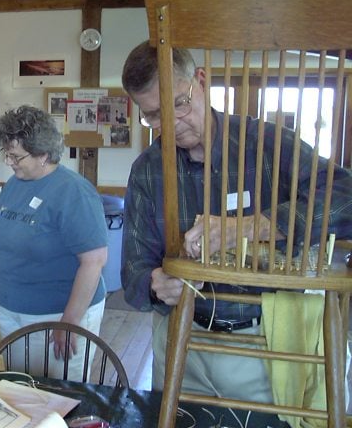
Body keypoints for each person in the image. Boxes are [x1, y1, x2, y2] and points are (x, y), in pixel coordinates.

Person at [120, 41, 352, 402]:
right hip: (180, 337)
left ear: (201, 80)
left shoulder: (268, 144)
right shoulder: (148, 169)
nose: (171, 123)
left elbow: (347, 196)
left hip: (264, 343)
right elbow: (133, 268)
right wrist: (154, 284)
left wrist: (250, 227)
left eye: (179, 103)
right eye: (153, 115)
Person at [0, 105, 108, 380]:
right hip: (12, 309)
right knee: (21, 387)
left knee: (60, 396)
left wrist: (70, 321)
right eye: (7, 154)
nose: (9, 162)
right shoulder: (14, 185)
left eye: (16, 156)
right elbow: (3, 247)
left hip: (57, 315)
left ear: (43, 154)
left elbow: (94, 261)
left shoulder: (74, 192)